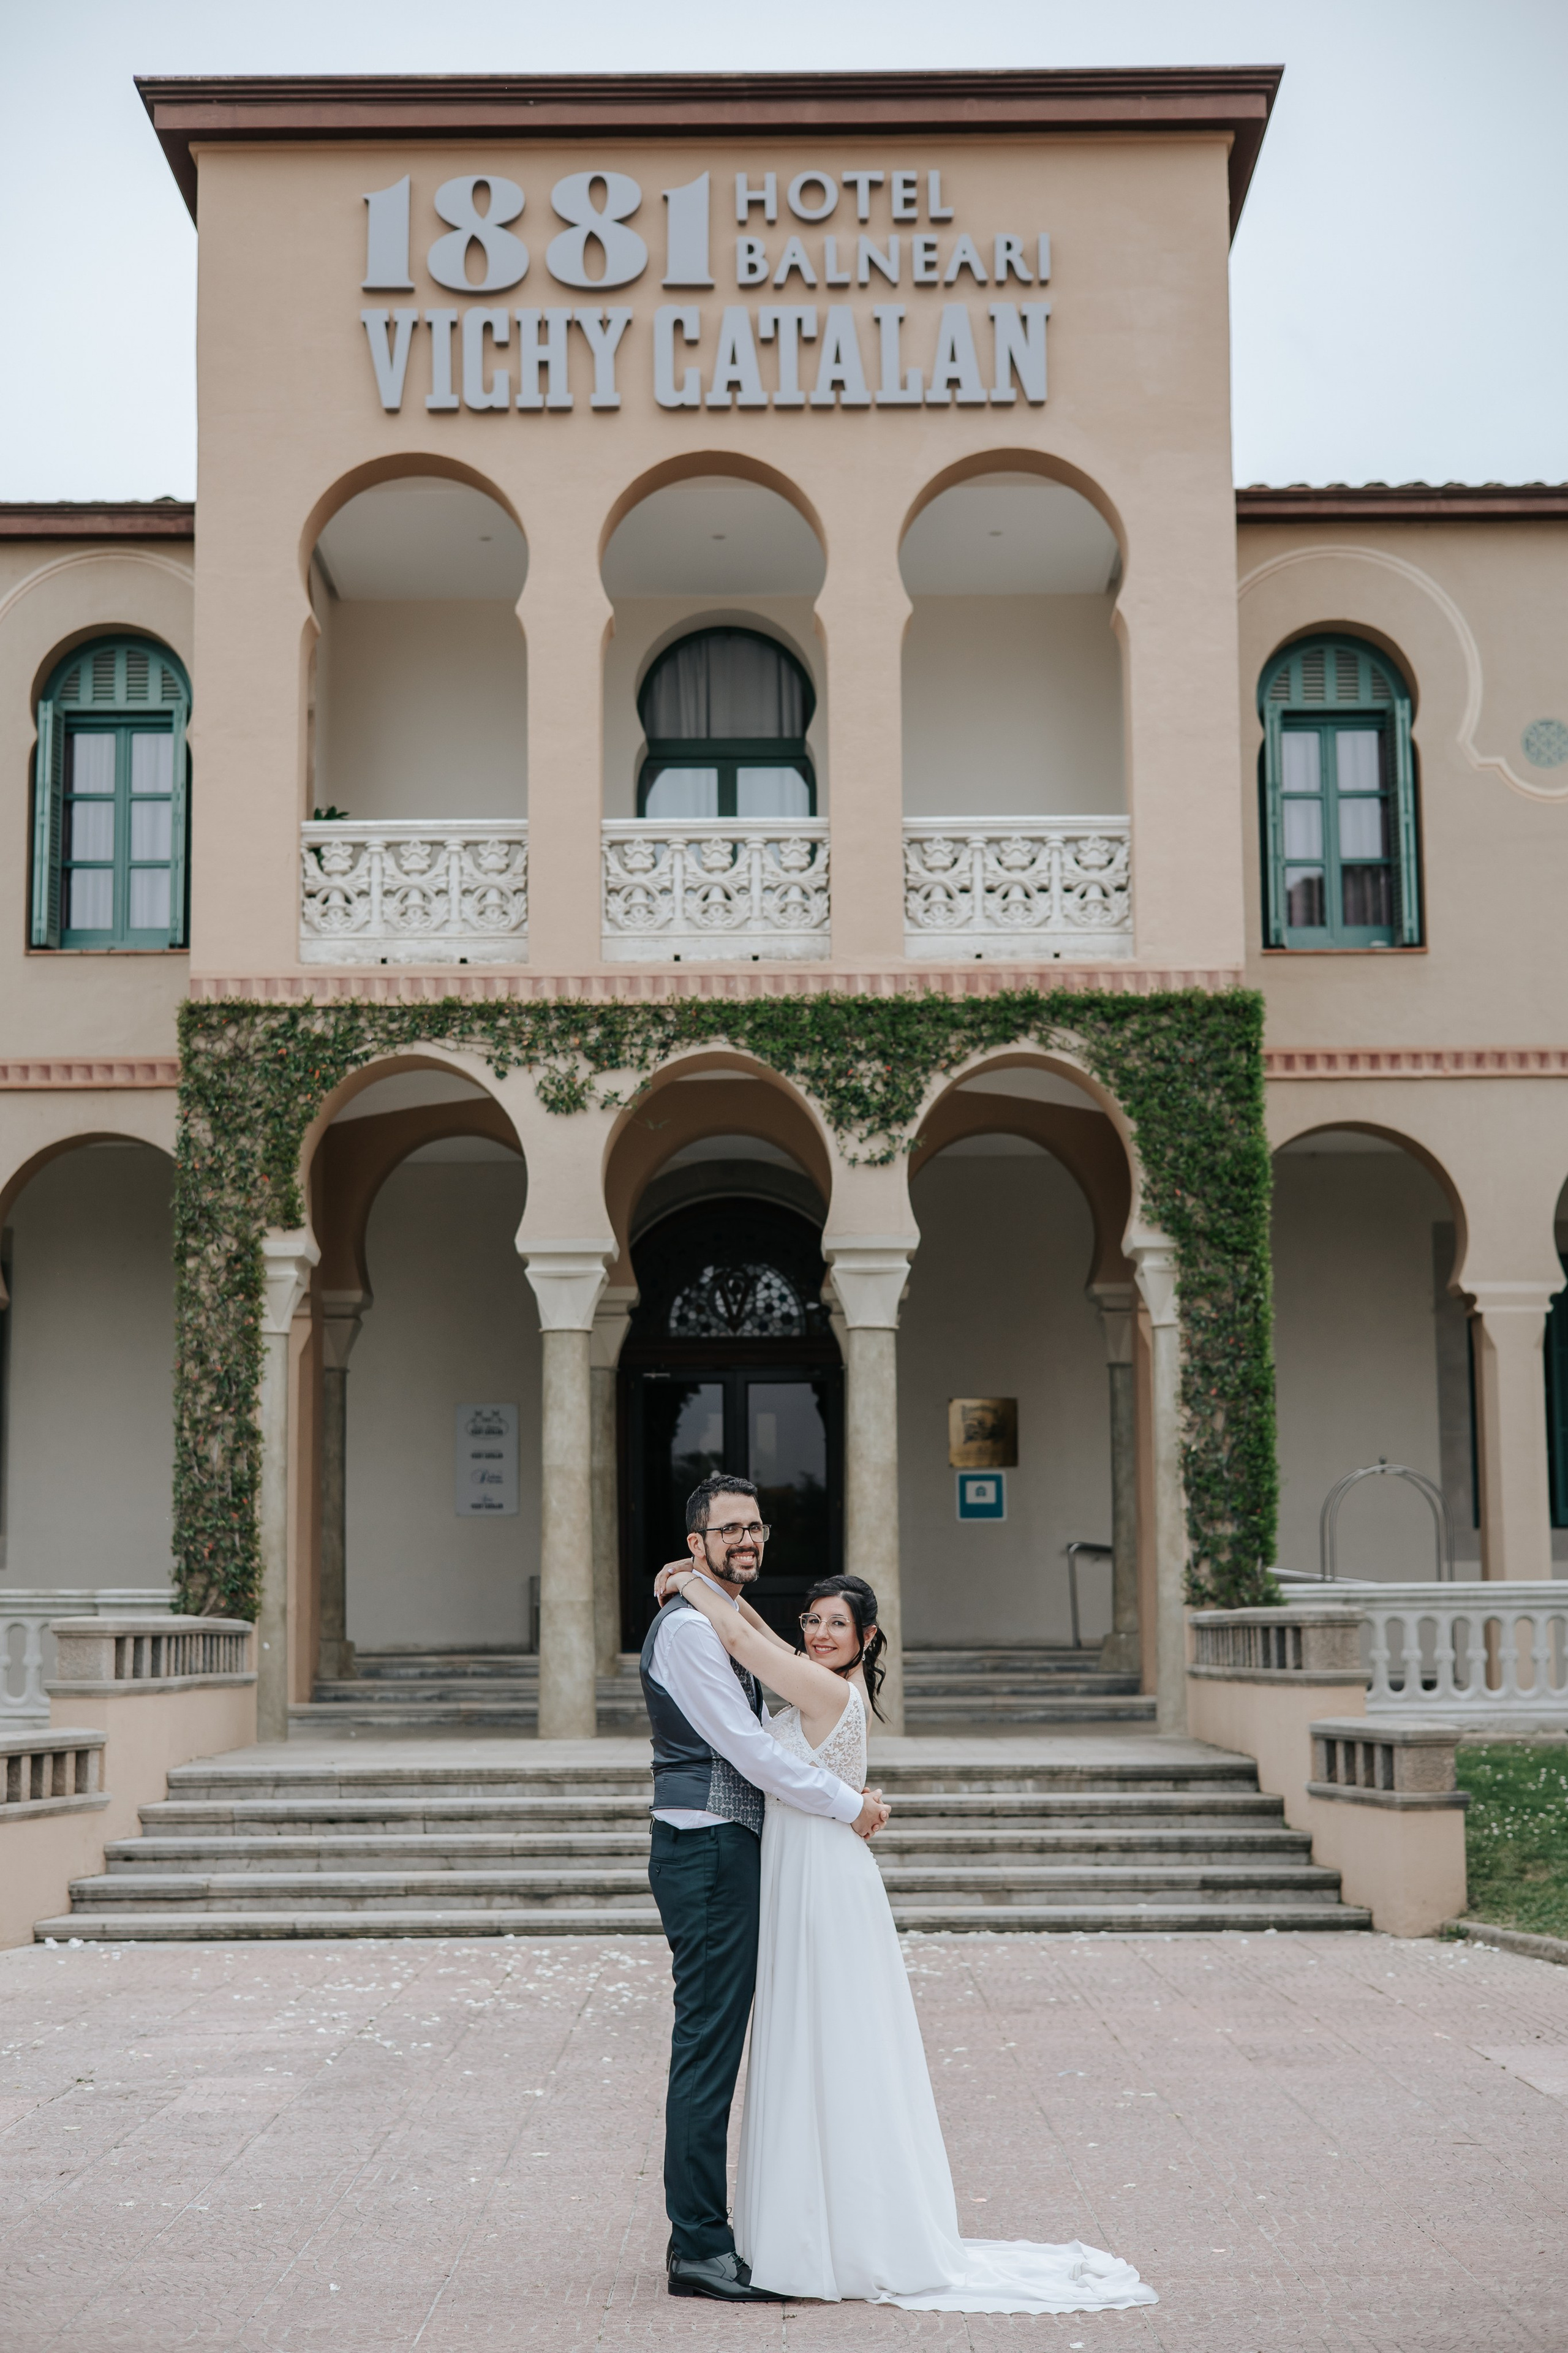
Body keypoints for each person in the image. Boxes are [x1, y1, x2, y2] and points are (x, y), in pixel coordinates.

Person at [653, 1556, 1159, 2316]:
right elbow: (756, 1633)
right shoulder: (822, 1675)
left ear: (868, 1637)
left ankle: (840, 2227)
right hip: (804, 1866)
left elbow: (741, 1638)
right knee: (811, 2044)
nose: (820, 1633)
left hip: (821, 1879)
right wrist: (712, 1584)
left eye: (837, 1624)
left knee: (826, 2043)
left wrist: (688, 1580)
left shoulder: (824, 1687)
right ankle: (815, 2220)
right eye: (813, 1620)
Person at [639, 1473, 891, 2304]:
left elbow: (751, 1638)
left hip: (729, 1853)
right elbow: (749, 1750)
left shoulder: (713, 1614)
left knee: (717, 2045)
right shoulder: (685, 1633)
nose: (747, 1539)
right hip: (705, 1853)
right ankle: (701, 2249)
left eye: (756, 1527)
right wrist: (849, 1801)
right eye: (729, 1530)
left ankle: (709, 2236)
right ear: (698, 1541)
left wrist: (695, 1584)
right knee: (708, 2051)